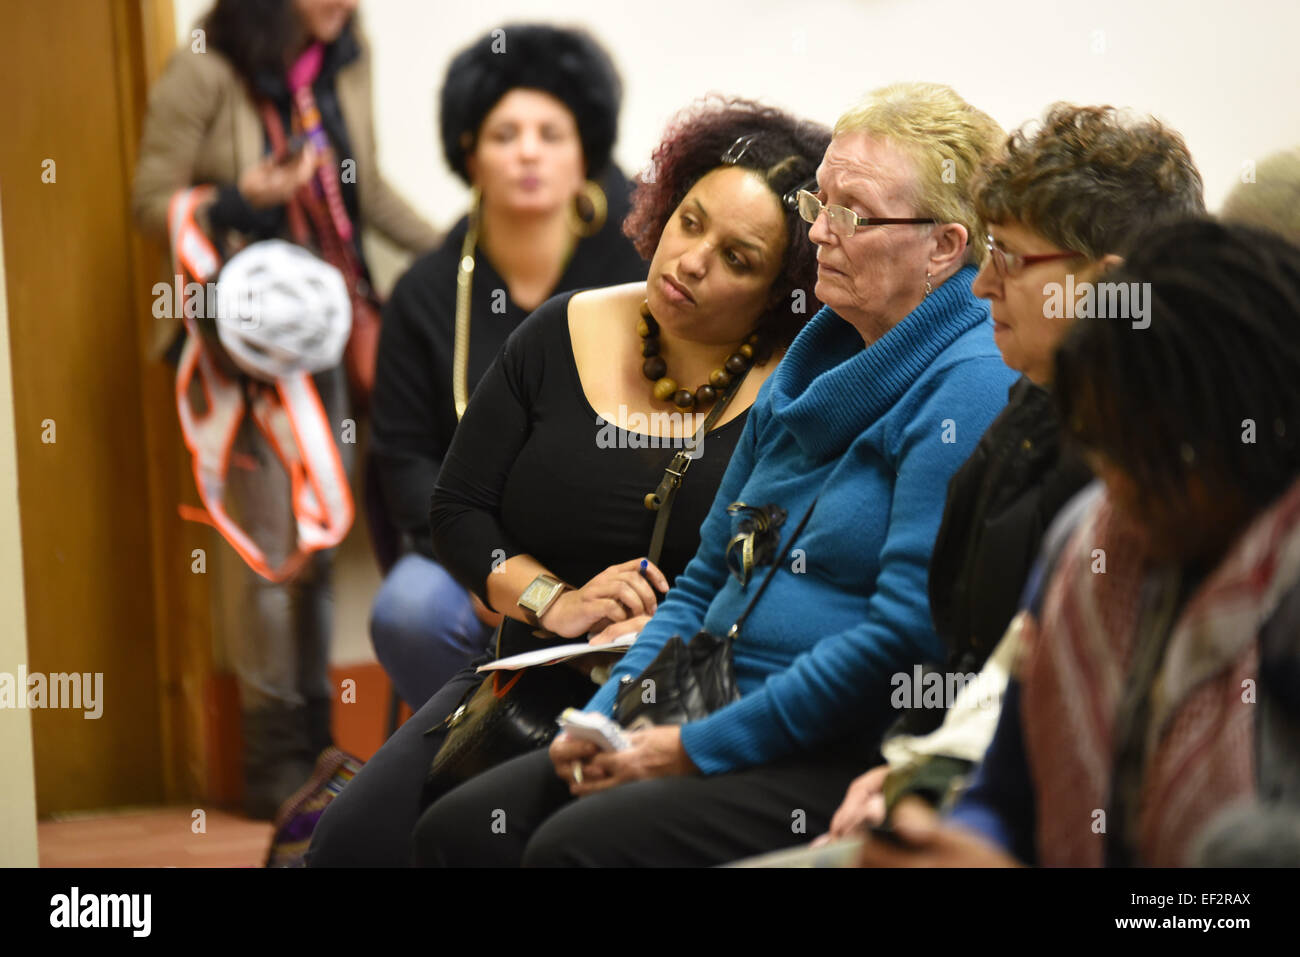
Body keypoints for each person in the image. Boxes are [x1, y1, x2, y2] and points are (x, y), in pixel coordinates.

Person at [410, 82, 1019, 868]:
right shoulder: (821, 348)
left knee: (567, 848)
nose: (821, 234)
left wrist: (688, 747)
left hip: (824, 745)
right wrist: (605, 720)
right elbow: (700, 582)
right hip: (697, 700)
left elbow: (901, 637)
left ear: (945, 246)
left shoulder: (968, 380)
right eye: (818, 202)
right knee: (455, 830)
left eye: (853, 214)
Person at [306, 98, 830, 866]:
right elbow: (459, 510)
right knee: (346, 847)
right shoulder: (562, 329)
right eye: (689, 222)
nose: (691, 260)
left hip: (675, 705)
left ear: (780, 288)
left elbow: (791, 580)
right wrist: (559, 602)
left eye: (738, 258)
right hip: (520, 682)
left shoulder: (794, 387)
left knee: (498, 845)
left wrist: (663, 635)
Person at [818, 104, 1205, 844]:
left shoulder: (1147, 477)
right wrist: (908, 768)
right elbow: (963, 660)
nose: (983, 285)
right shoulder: (1030, 402)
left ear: (1107, 286)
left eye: (1012, 260)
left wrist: (930, 795)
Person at [859, 219, 1300, 867]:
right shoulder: (1090, 540)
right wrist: (951, 839)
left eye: (1161, 456)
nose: (1121, 486)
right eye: (1104, 446)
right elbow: (1006, 795)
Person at [131, 0, 438, 818]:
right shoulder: (205, 68)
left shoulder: (344, 64)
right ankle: (272, 760)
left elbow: (363, 189)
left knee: (320, 532)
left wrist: (460, 244)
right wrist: (239, 196)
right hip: (244, 344)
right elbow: (149, 199)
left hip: (328, 329)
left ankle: (316, 751)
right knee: (268, 550)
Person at [368, 24, 648, 709]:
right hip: (469, 556)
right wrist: (489, 567)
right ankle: (477, 759)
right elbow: (403, 459)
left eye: (551, 134)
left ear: (586, 152)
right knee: (408, 611)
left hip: (612, 540)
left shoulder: (640, 268)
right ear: (469, 153)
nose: (528, 152)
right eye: (503, 135)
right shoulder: (426, 291)